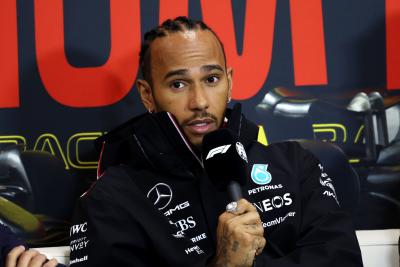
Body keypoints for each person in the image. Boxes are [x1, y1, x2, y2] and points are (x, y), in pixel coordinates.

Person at [69, 17, 363, 266]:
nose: (199, 102)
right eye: (178, 84)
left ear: (230, 82)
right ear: (147, 95)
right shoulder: (112, 200)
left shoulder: (297, 165)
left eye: (211, 79)